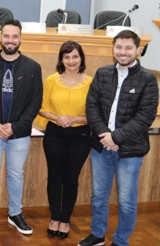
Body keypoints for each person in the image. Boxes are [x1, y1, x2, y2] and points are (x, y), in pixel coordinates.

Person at [78, 30, 159, 246]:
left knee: (126, 201)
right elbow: (91, 105)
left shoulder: (148, 80)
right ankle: (97, 235)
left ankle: (121, 241)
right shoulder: (102, 73)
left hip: (130, 151)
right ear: (113, 49)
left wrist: (115, 137)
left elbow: (145, 116)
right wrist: (105, 136)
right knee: (98, 196)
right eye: (119, 47)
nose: (123, 52)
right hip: (101, 147)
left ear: (138, 50)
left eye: (128, 48)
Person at [0, 19, 42, 235]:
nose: (10, 40)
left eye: (15, 36)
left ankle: (15, 214)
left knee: (16, 174)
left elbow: (35, 102)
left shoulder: (33, 67)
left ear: (21, 38)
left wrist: (16, 126)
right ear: (0, 38)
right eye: (7, 36)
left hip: (19, 134)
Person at [37, 41, 92, 239]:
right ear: (61, 59)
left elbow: (95, 115)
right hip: (55, 133)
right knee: (54, 176)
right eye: (66, 57)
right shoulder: (51, 80)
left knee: (71, 178)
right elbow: (42, 107)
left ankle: (65, 219)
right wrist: (57, 117)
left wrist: (74, 119)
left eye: (75, 56)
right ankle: (54, 218)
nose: (71, 61)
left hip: (81, 136)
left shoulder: (91, 82)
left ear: (81, 58)